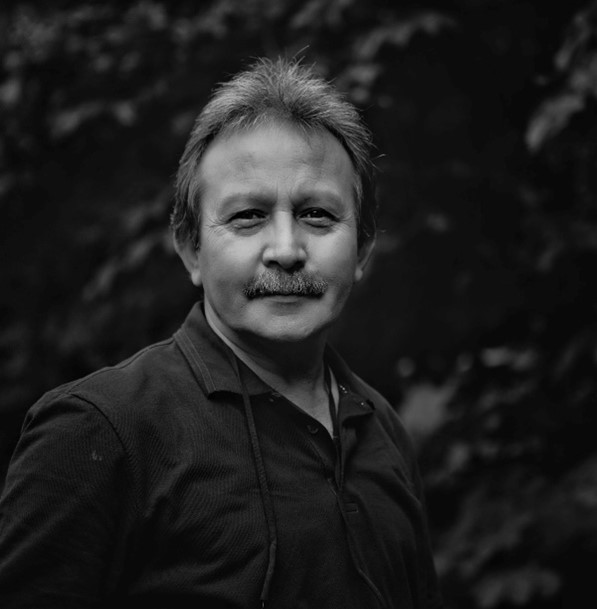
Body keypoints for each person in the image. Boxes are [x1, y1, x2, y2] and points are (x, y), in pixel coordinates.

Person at [0, 58, 443, 609]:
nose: (286, 250)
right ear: (191, 249)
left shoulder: (381, 430)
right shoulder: (102, 433)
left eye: (317, 215)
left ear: (363, 250)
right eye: (248, 216)